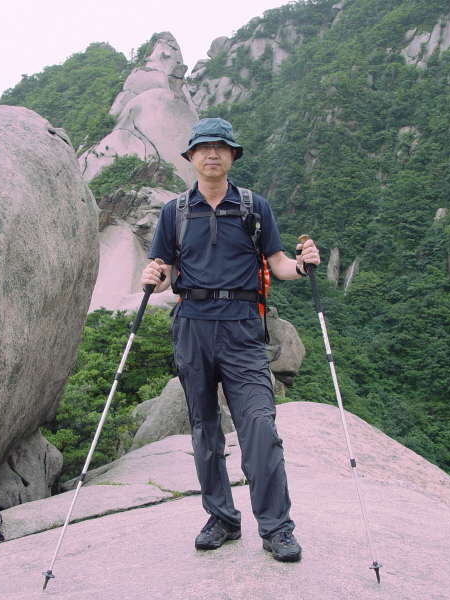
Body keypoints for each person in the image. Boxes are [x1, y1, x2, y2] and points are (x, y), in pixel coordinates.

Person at [140, 118, 321, 562]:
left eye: (221, 147)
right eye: (203, 147)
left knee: (259, 425)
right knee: (204, 428)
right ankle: (221, 518)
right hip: (193, 327)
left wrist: (302, 266)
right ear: (191, 156)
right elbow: (164, 274)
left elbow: (278, 262)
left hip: (242, 328)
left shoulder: (254, 207)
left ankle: (276, 527)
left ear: (232, 155)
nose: (212, 153)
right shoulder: (174, 212)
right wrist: (153, 278)